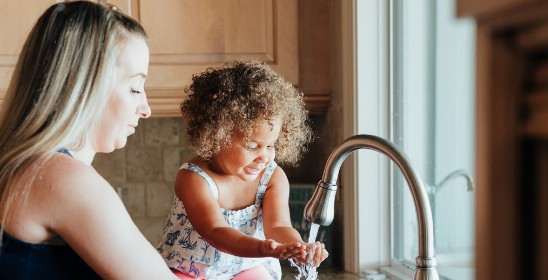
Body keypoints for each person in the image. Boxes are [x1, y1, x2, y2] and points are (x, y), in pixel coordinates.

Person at [0, 1, 177, 279]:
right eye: (134, 88)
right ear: (85, 86)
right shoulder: (62, 178)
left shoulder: (24, 162)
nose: (146, 109)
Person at [156, 60, 328, 279]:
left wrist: (299, 247)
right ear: (216, 135)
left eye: (270, 145)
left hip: (249, 266)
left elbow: (278, 225)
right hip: (193, 267)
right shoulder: (193, 178)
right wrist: (261, 248)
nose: (264, 157)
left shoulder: (272, 177)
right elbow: (215, 231)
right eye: (251, 146)